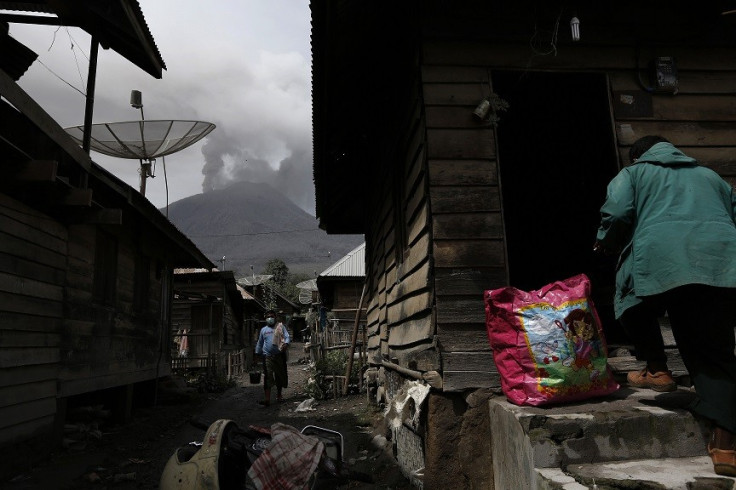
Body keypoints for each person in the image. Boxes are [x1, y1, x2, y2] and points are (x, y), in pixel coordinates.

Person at [594, 135, 736, 476]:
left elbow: (615, 212)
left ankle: (726, 443)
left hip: (663, 260)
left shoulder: (633, 174)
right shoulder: (710, 177)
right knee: (714, 346)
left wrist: (605, 244)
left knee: (630, 302)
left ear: (638, 156)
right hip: (721, 261)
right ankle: (658, 372)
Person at [255, 310, 290, 406]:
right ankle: (267, 399)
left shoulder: (280, 327)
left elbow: (287, 337)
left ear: (275, 317)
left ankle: (279, 395)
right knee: (268, 376)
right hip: (267, 356)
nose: (270, 318)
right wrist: (257, 354)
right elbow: (260, 343)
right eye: (268, 316)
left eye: (272, 316)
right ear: (265, 318)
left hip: (279, 356)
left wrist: (286, 344)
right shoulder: (263, 330)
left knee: (279, 376)